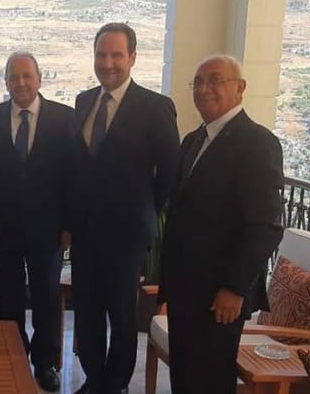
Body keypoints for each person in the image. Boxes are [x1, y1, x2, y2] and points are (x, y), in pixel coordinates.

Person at [159, 55, 284, 394]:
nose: (204, 89)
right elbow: (180, 215)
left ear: (240, 88)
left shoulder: (257, 143)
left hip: (220, 296)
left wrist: (235, 287)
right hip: (185, 289)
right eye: (198, 82)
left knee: (211, 379)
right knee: (183, 376)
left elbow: (265, 225)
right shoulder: (193, 140)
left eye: (215, 80)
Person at [71, 22, 180, 394]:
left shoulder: (155, 107)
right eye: (101, 55)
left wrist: (143, 210)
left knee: (120, 314)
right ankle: (94, 380)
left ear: (132, 57)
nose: (108, 63)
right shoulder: (84, 101)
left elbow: (169, 173)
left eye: (116, 55)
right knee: (86, 312)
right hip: (85, 233)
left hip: (126, 235)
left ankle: (114, 385)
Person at [0, 52, 74, 392]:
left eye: (26, 76)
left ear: (39, 78)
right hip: (3, 227)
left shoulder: (65, 119)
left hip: (49, 229)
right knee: (9, 296)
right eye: (13, 76)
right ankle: (13, 354)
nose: (20, 83)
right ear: (6, 81)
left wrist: (68, 225)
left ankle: (45, 362)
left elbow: (72, 177)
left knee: (47, 296)